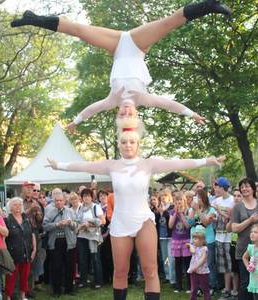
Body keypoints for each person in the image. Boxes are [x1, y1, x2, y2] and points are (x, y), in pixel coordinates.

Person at [45, 118, 225, 300]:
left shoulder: (148, 164)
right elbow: (83, 165)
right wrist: (58, 165)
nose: (127, 145)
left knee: (150, 270)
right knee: (120, 271)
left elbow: (178, 163)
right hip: (120, 223)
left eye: (132, 141)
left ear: (138, 144)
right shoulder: (112, 165)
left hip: (143, 220)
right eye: (123, 142)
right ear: (119, 144)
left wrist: (207, 161)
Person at [11, 1, 232, 131]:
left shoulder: (113, 99)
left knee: (79, 31)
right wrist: (191, 114)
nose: (125, 111)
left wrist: (75, 122)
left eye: (122, 114)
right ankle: (208, 5)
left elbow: (91, 109)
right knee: (166, 25)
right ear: (134, 113)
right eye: (130, 114)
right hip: (136, 45)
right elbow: (168, 104)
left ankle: (34, 19)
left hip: (117, 47)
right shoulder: (142, 98)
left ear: (119, 113)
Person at [43, 190, 77, 297]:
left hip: (69, 242)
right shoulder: (49, 212)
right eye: (56, 200)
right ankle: (56, 290)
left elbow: (76, 225)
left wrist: (70, 222)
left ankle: (69, 289)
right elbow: (45, 226)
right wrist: (56, 224)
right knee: (56, 267)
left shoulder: (70, 211)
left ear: (65, 201)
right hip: (55, 242)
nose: (58, 202)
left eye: (61, 200)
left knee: (69, 266)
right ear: (54, 201)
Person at [4, 197, 36, 300]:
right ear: (10, 207)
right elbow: (3, 238)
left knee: (25, 277)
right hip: (12, 254)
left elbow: (32, 234)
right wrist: (5, 254)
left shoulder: (26, 218)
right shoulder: (7, 220)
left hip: (26, 252)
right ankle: (8, 297)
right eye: (15, 204)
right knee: (10, 277)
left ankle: (23, 296)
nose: (18, 206)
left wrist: (34, 249)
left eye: (19, 204)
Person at [231, 178, 258, 300]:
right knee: (245, 283)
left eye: (247, 186)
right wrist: (250, 221)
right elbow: (234, 228)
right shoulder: (237, 207)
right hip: (244, 250)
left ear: (253, 188)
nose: (244, 188)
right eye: (242, 187)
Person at [76, 188, 105, 289]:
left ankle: (98, 282)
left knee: (95, 259)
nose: (86, 197)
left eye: (88, 195)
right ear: (82, 197)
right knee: (82, 259)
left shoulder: (96, 207)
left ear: (92, 197)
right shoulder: (80, 208)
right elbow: (77, 220)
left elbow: (103, 221)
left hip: (93, 236)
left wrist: (89, 223)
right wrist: (80, 225)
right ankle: (83, 281)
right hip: (81, 235)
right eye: (84, 196)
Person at [189, 189, 217, 295]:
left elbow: (205, 223)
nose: (197, 200)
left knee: (209, 264)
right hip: (197, 243)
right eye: (196, 197)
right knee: (198, 264)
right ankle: (201, 287)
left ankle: (211, 286)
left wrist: (198, 210)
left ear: (204, 198)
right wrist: (192, 209)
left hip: (208, 241)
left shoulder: (211, 210)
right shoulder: (195, 209)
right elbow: (190, 223)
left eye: (199, 197)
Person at [211, 176, 234, 298]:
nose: (215, 189)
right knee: (223, 265)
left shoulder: (233, 200)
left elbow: (232, 218)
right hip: (218, 236)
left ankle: (234, 290)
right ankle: (226, 289)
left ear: (222, 187)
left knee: (231, 265)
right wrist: (213, 218)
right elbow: (215, 218)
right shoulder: (216, 201)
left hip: (230, 237)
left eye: (217, 186)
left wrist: (220, 212)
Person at [169, 191, 191, 293]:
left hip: (186, 240)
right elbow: (170, 225)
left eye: (180, 200)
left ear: (184, 201)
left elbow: (187, 226)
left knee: (187, 263)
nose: (179, 202)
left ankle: (189, 286)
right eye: (177, 201)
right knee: (177, 263)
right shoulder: (172, 212)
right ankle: (179, 286)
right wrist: (175, 214)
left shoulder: (187, 211)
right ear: (174, 202)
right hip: (176, 240)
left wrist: (181, 215)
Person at [186, 225, 210, 300]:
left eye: (196, 238)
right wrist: (190, 245)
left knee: (205, 288)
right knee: (194, 289)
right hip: (194, 271)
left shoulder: (205, 249)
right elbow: (192, 251)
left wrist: (196, 267)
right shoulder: (194, 247)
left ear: (202, 240)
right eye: (193, 238)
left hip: (203, 272)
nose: (193, 240)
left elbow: (203, 260)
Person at [242, 224, 258, 300]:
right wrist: (248, 267)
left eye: (256, 232)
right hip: (254, 281)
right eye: (251, 232)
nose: (252, 233)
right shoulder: (251, 248)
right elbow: (244, 257)